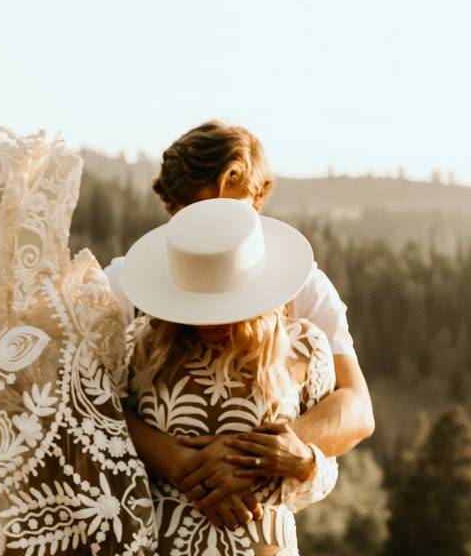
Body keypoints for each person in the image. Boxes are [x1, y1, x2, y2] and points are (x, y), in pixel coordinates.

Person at [104, 120, 375, 529]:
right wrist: (176, 461)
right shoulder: (125, 286)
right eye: (200, 210)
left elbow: (357, 408)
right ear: (174, 208)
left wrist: (266, 455)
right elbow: (78, 401)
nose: (218, 228)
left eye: (230, 209)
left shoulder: (302, 286)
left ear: (258, 198)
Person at [119, 196, 341, 555]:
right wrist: (178, 464)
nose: (210, 321)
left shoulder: (304, 347)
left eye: (224, 306)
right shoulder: (138, 346)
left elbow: (323, 473)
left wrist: (304, 461)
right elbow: (102, 432)